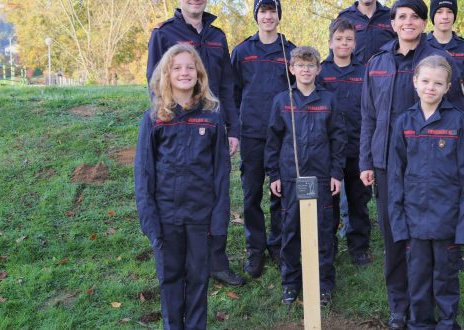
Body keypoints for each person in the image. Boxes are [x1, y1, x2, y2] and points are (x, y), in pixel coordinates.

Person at [359, 1, 464, 328]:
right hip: (386, 163)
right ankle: (399, 307)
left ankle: (436, 309)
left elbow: (458, 112)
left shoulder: (439, 60)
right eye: (402, 17)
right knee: (395, 238)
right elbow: (367, 115)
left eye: (415, 17)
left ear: (424, 23)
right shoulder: (377, 62)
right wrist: (366, 159)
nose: (408, 22)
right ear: (392, 23)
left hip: (432, 167)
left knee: (431, 242)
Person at [146, 0, 245, 287]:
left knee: (217, 191)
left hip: (214, 128)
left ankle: (216, 261)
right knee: (184, 189)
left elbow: (227, 86)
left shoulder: (218, 36)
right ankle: (180, 258)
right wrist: (164, 125)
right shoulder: (163, 33)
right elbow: (154, 83)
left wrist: (233, 128)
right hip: (179, 128)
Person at [135, 44, 230, 330]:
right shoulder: (154, 118)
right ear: (166, 74)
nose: (184, 72)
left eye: (190, 67)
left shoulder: (212, 117)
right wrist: (150, 221)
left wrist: (219, 220)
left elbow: (221, 173)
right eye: (177, 68)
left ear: (199, 73)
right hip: (166, 218)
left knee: (199, 280)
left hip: (201, 218)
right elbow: (144, 174)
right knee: (170, 280)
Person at [387, 55, 464, 329]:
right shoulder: (404, 123)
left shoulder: (459, 123)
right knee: (418, 278)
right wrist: (398, 224)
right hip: (414, 221)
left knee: (446, 278)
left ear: (448, 86)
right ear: (415, 82)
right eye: (425, 81)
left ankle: (448, 323)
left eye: (438, 83)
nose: (431, 87)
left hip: (447, 221)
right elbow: (395, 178)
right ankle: (419, 322)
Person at [265, 46, 346, 306]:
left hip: (321, 178)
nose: (306, 70)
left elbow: (338, 139)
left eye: (310, 66)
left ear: (318, 69)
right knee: (290, 231)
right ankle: (290, 282)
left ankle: (323, 284)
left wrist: (336, 172)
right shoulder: (282, 101)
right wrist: (274, 173)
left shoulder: (329, 100)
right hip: (290, 178)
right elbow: (273, 140)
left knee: (322, 231)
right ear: (292, 69)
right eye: (300, 65)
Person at [231, 0, 296, 279]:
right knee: (251, 194)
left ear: (278, 16)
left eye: (273, 11)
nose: (268, 16)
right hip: (252, 134)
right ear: (256, 15)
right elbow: (232, 93)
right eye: (263, 11)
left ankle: (278, 245)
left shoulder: (290, 51)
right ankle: (255, 249)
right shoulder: (243, 51)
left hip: (283, 136)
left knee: (280, 194)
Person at [317, 18, 374, 266]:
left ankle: (358, 246)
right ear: (330, 42)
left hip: (357, 147)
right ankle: (328, 243)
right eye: (339, 39)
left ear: (355, 43)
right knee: (328, 201)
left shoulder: (364, 72)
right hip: (327, 150)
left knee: (359, 199)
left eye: (348, 39)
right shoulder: (321, 72)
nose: (344, 43)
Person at [426, 0, 464, 138]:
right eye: (439, 12)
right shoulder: (423, 46)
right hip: (427, 120)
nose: (445, 16)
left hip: (457, 121)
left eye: (449, 11)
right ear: (432, 15)